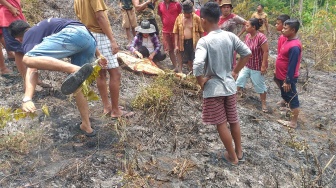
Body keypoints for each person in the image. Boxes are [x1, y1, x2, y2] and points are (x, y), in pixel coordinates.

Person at [8, 18, 108, 137]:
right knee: (78, 85)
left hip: (73, 35)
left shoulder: (29, 35)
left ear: (18, 39)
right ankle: (86, 126)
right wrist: (99, 54)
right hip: (89, 39)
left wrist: (27, 98)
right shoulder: (44, 26)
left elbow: (32, 67)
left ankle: (74, 69)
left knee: (27, 59)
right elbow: (83, 33)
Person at [193, 2, 251, 165]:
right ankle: (239, 152)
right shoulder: (230, 36)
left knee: (221, 124)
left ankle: (231, 157)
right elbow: (247, 53)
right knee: (233, 120)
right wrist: (235, 71)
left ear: (203, 20)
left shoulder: (204, 41)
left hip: (214, 89)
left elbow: (197, 65)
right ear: (218, 18)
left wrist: (200, 81)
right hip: (230, 86)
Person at [74, 0, 134, 119]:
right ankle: (116, 111)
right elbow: (100, 17)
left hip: (89, 35)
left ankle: (107, 106)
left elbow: (80, 19)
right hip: (100, 35)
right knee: (115, 73)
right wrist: (112, 40)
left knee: (100, 74)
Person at [236, 18, 269, 112]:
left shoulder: (261, 37)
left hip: (257, 67)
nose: (245, 27)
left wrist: (263, 66)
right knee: (239, 80)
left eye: (247, 25)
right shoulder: (247, 36)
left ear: (254, 27)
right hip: (247, 65)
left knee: (259, 86)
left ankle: (263, 104)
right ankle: (233, 99)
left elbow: (266, 51)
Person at [275, 19, 302, 128]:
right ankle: (289, 110)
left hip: (288, 78)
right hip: (282, 75)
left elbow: (292, 65)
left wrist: (288, 81)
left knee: (292, 98)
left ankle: (293, 122)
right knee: (286, 95)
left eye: (286, 28)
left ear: (293, 30)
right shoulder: (287, 40)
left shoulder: (294, 46)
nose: (283, 30)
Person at [173, 0, 203, 72]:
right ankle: (180, 70)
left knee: (192, 58)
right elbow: (175, 32)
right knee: (180, 55)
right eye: (187, 13)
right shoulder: (179, 18)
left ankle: (192, 71)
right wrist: (176, 45)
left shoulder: (196, 18)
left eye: (190, 12)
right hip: (182, 41)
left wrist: (202, 43)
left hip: (193, 42)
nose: (188, 14)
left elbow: (201, 31)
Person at [0, 0, 26, 79]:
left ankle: (10, 54)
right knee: (18, 47)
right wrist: (10, 7)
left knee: (2, 35)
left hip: (8, 9)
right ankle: (3, 69)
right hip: (8, 11)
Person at [158, 0, 181, 71]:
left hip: (176, 31)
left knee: (178, 49)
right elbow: (161, 15)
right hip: (166, 31)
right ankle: (175, 66)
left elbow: (181, 15)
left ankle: (180, 67)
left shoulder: (176, 4)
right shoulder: (160, 5)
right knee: (170, 49)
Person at [274, 14, 290, 108]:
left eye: (278, 24)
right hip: (280, 63)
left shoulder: (286, 38)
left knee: (284, 82)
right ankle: (285, 98)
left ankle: (287, 100)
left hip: (285, 66)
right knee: (276, 79)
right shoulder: (282, 37)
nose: (276, 25)